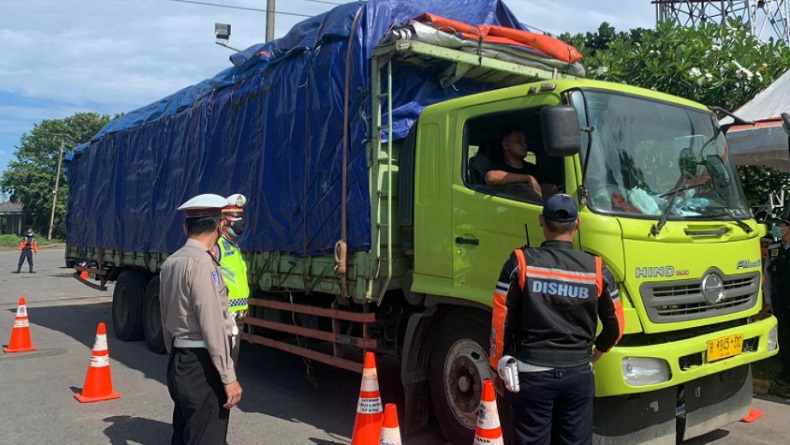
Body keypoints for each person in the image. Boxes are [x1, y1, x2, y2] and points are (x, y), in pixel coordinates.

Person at [489, 194, 625, 445]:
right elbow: (616, 325)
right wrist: (600, 348)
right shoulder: (596, 267)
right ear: (578, 224)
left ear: (542, 221)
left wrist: (497, 363)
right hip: (578, 373)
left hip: (531, 374)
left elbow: (501, 318)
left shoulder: (521, 262)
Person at [160, 193, 243, 445]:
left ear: (186, 228)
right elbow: (213, 325)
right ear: (220, 226)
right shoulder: (203, 265)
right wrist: (228, 377)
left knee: (185, 432)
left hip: (179, 359)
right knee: (207, 434)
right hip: (202, 365)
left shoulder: (172, 262)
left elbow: (164, 316)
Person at [213, 193, 250, 365]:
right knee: (225, 365)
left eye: (241, 216)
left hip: (237, 315)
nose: (240, 221)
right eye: (235, 216)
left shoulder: (234, 247)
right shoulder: (217, 246)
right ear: (223, 221)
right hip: (225, 315)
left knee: (231, 362)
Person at [764, 213, 790, 387]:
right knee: (785, 337)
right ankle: (786, 373)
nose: (777, 229)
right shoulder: (774, 249)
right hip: (780, 300)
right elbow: (767, 275)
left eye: (780, 225)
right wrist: (768, 300)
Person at [485, 125, 545, 197]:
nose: (524, 145)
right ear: (505, 145)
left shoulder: (534, 170)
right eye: (518, 141)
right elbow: (491, 177)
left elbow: (546, 188)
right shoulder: (498, 167)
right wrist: (528, 178)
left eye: (525, 141)